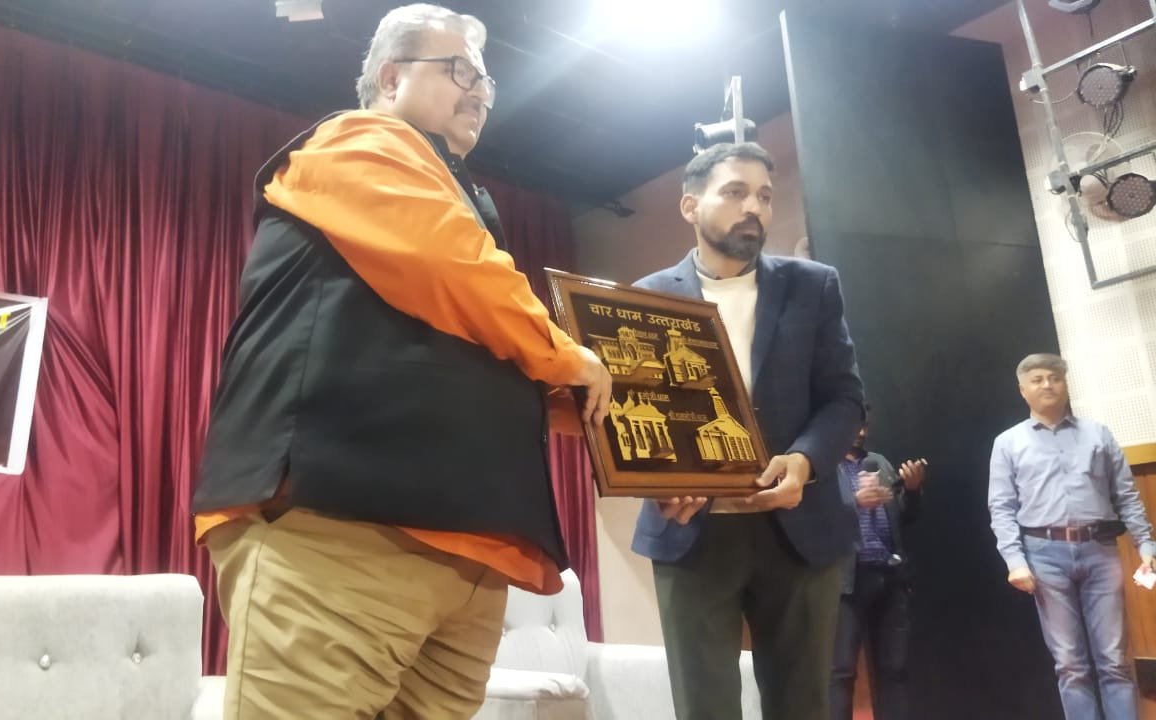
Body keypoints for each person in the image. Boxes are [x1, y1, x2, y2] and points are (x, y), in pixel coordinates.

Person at [189, 5, 612, 718]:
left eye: (487, 81)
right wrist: (568, 358)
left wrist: (578, 406)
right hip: (342, 536)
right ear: (390, 78)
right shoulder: (359, 141)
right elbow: (452, 263)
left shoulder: (456, 196)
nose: (480, 92)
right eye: (460, 72)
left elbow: (459, 328)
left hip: (470, 553)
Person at [631, 142, 865, 720]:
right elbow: (629, 409)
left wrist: (804, 461)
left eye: (764, 195)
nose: (754, 208)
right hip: (690, 531)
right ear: (690, 206)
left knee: (802, 706)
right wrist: (658, 480)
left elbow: (845, 399)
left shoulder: (813, 286)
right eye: (735, 192)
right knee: (703, 708)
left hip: (800, 528)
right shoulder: (644, 297)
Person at [989, 352, 1154, 720]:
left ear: (1065, 385)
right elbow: (1001, 508)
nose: (1047, 385)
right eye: (1037, 379)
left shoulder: (1099, 434)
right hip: (1043, 556)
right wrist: (1014, 561)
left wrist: (1145, 543)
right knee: (1069, 664)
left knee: (1114, 660)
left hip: (1100, 551)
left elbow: (1126, 495)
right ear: (1023, 390)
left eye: (1055, 378)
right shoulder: (1007, 443)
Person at [829, 414, 927, 720]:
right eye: (853, 423)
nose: (860, 431)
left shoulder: (879, 462)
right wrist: (855, 502)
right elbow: (810, 519)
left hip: (889, 575)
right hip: (846, 582)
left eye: (865, 425)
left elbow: (906, 516)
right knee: (840, 672)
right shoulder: (822, 465)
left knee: (895, 669)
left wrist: (912, 490)